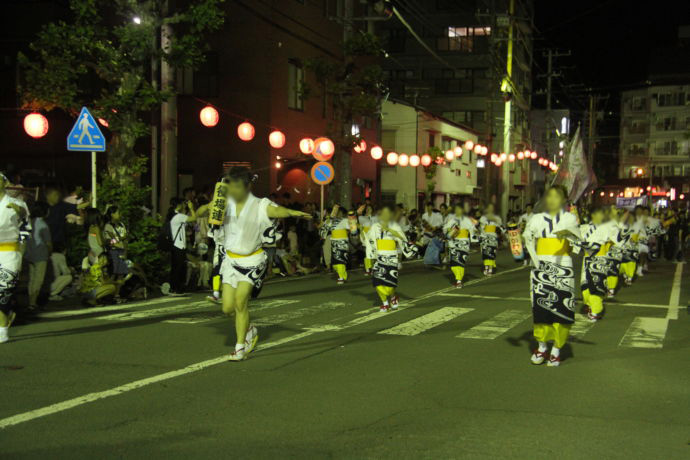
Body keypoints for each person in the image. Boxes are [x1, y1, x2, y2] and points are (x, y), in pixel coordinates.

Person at [219, 167, 312, 361]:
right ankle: (249, 328)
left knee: (240, 300)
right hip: (230, 261)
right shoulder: (225, 203)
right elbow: (208, 211)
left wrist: (292, 212)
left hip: (253, 260)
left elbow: (276, 210)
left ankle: (239, 347)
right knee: (227, 308)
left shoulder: (260, 204)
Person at [523, 185, 581, 367]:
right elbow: (527, 237)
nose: (552, 199)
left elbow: (579, 243)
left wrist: (570, 235)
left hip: (563, 265)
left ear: (564, 200)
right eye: (549, 196)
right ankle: (541, 346)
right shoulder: (536, 218)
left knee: (562, 307)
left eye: (557, 196)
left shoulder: (570, 218)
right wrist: (535, 258)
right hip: (541, 266)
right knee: (540, 307)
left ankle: (556, 348)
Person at [368, 205, 418, 312]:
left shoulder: (394, 226)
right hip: (380, 257)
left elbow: (402, 238)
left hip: (391, 258)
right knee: (377, 282)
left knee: (389, 284)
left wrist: (389, 230)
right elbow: (370, 242)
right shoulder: (375, 226)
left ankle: (393, 297)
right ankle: (385, 303)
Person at [0, 173, 29, 343]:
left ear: (5, 183)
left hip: (10, 252)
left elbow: (26, 229)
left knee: (2, 290)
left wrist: (21, 251)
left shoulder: (17, 204)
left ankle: (2, 329)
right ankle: (7, 316)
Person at [578, 207, 618, 322]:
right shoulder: (585, 227)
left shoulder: (607, 227)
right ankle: (590, 304)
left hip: (599, 258)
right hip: (586, 259)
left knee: (596, 285)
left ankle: (595, 311)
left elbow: (617, 238)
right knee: (585, 286)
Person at [25, 201, 52, 309]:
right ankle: (32, 302)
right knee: (38, 279)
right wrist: (49, 251)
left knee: (31, 279)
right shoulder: (43, 225)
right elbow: (48, 243)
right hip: (41, 254)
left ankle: (30, 301)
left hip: (29, 254)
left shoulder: (29, 222)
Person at [168, 198, 197, 295]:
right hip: (178, 245)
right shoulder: (178, 216)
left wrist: (185, 209)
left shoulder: (173, 215)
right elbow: (194, 218)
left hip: (175, 244)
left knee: (176, 267)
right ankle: (177, 288)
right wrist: (191, 208)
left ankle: (174, 288)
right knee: (179, 268)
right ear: (179, 205)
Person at [443, 203, 475, 288]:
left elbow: (472, 230)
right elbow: (445, 229)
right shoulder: (452, 219)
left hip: (463, 242)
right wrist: (449, 232)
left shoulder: (467, 220)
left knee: (460, 261)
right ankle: (458, 278)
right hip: (453, 242)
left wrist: (473, 239)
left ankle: (459, 280)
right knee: (453, 262)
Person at [322, 205, 356, 284]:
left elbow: (353, 229)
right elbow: (323, 229)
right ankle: (343, 276)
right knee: (335, 264)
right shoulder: (331, 221)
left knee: (340, 260)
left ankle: (341, 277)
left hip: (342, 243)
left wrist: (352, 219)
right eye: (335, 211)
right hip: (334, 244)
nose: (337, 213)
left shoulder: (344, 220)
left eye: (338, 211)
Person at [104, 206, 129, 280]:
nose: (119, 214)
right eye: (118, 212)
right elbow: (110, 241)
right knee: (115, 274)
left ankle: (117, 290)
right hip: (114, 252)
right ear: (112, 214)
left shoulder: (121, 224)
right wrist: (121, 238)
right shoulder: (108, 226)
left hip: (122, 252)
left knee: (121, 274)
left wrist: (125, 250)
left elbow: (125, 238)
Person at [479, 203, 503, 275]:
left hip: (493, 237)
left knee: (491, 253)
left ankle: (490, 268)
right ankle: (486, 267)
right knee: (485, 253)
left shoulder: (497, 218)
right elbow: (480, 228)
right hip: (485, 237)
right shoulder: (483, 218)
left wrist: (504, 234)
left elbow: (501, 227)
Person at [357, 204, 377, 276]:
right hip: (366, 237)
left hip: (374, 237)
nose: (368, 210)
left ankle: (374, 268)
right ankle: (368, 269)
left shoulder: (375, 218)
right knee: (367, 253)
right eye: (367, 208)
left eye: (370, 208)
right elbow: (360, 228)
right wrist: (362, 236)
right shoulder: (361, 218)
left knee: (375, 253)